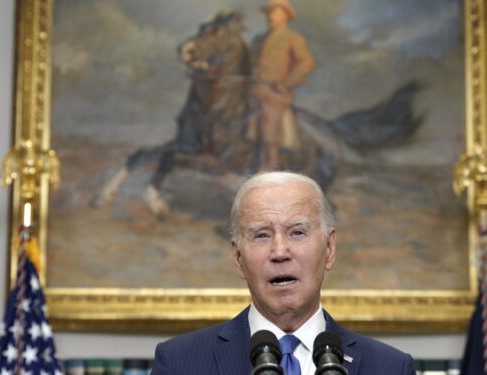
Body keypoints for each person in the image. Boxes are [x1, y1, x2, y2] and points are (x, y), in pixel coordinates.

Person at [151, 171, 415, 374]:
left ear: (330, 249)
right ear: (238, 257)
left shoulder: (390, 367)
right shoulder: (179, 363)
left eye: (297, 233)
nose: (279, 252)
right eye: (261, 235)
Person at [251, 0, 315, 170]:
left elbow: (306, 63)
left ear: (286, 16)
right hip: (255, 90)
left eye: (276, 12)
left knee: (268, 122)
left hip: (276, 94)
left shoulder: (293, 38)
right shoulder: (259, 40)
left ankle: (270, 165)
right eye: (270, 13)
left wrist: (285, 83)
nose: (271, 16)